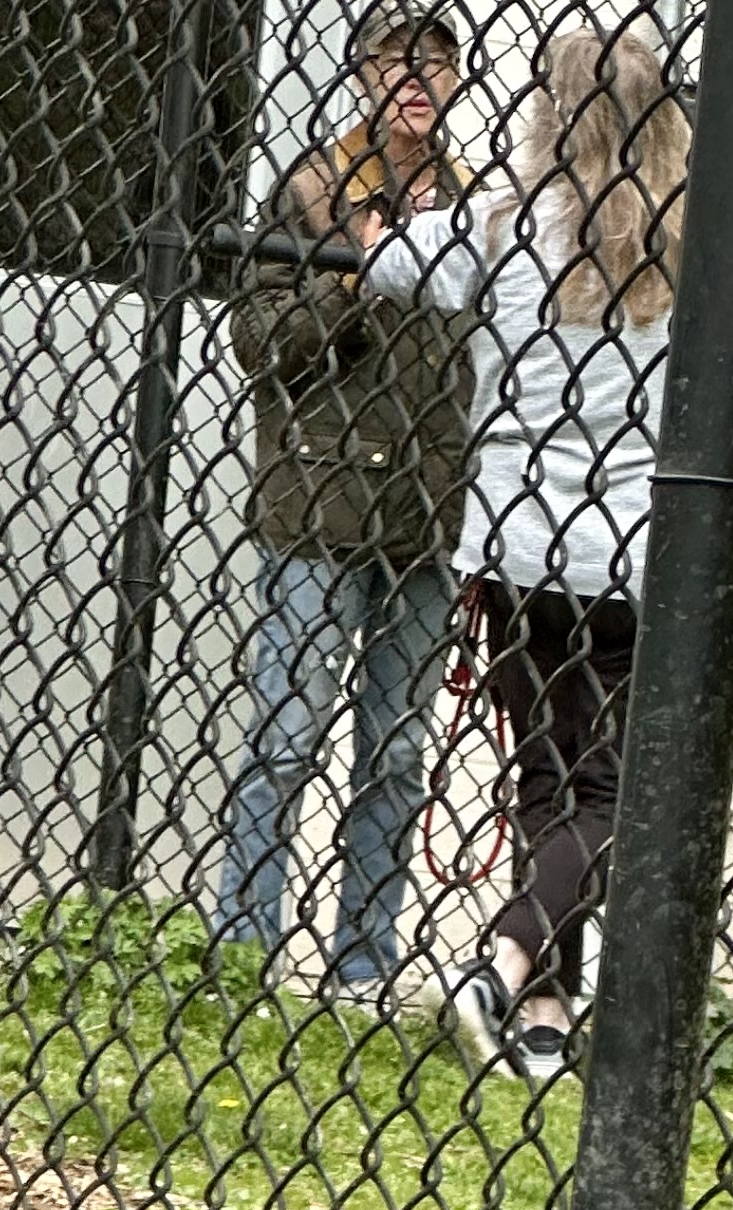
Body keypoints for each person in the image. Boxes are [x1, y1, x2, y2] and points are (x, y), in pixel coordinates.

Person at [363, 20, 689, 1085]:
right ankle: (519, 967)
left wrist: (392, 226)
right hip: (638, 552)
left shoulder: (505, 226)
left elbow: (398, 264)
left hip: (513, 542)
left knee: (554, 771)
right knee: (618, 791)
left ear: (552, 116)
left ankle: (541, 1006)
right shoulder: (700, 239)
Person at [211, 5, 475, 1002]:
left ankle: (363, 964)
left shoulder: (475, 206)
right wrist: (355, 285)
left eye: (437, 62)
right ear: (361, 74)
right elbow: (259, 343)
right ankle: (244, 950)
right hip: (316, 509)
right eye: (395, 60)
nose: (416, 77)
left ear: (456, 82)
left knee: (398, 754)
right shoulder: (311, 192)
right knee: (284, 737)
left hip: (427, 514)